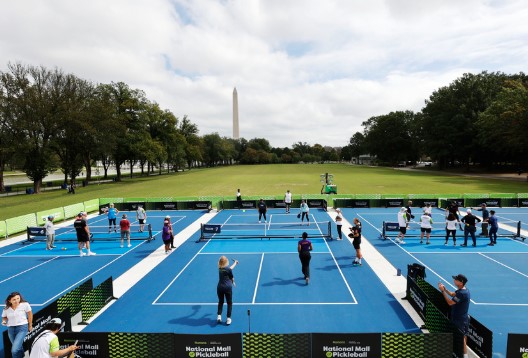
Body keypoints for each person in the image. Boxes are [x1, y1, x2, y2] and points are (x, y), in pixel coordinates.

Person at [438, 274, 471, 358]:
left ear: (461, 282)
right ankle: (464, 353)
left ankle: (465, 356)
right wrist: (445, 289)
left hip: (459, 319)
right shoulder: (463, 290)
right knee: (464, 335)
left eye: (456, 280)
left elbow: (450, 303)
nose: (454, 280)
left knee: (462, 337)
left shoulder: (462, 293)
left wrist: (442, 292)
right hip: (463, 318)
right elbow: (453, 294)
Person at [2, 292, 33, 358]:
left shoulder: (25, 304)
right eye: (14, 299)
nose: (17, 301)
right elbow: (4, 316)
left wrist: (30, 325)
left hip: (22, 327)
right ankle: (22, 356)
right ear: (9, 301)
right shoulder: (6, 308)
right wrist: (4, 321)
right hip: (11, 329)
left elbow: (30, 314)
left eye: (18, 298)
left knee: (14, 349)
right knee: (18, 346)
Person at [217, 256, 239, 325]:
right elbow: (231, 276)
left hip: (220, 287)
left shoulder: (220, 268)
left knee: (221, 302)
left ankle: (219, 316)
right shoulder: (228, 270)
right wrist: (233, 282)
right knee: (229, 303)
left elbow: (229, 269)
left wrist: (235, 263)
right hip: (227, 288)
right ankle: (228, 319)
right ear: (226, 262)